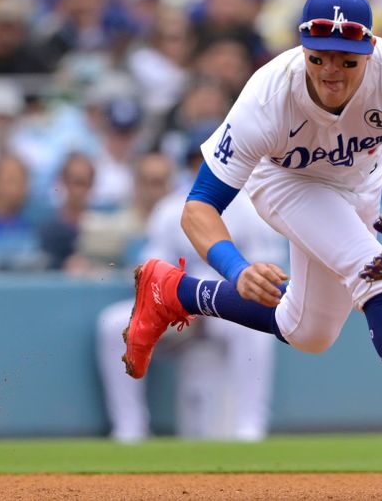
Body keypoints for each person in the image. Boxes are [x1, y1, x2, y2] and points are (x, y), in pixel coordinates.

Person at [121, 0, 382, 468]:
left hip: (360, 185)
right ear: (302, 48)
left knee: (309, 332)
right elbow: (198, 207)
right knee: (376, 281)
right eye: (320, 57)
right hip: (285, 182)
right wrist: (234, 268)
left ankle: (174, 291)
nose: (331, 71)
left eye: (347, 59)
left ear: (371, 49)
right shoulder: (268, 95)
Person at [97, 138, 284, 443]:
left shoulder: (249, 208)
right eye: (198, 163)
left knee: (256, 329)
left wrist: (222, 299)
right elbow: (153, 273)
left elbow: (271, 269)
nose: (205, 168)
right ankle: (129, 429)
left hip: (231, 308)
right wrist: (184, 304)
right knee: (112, 325)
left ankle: (250, 427)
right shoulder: (172, 208)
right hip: (180, 309)